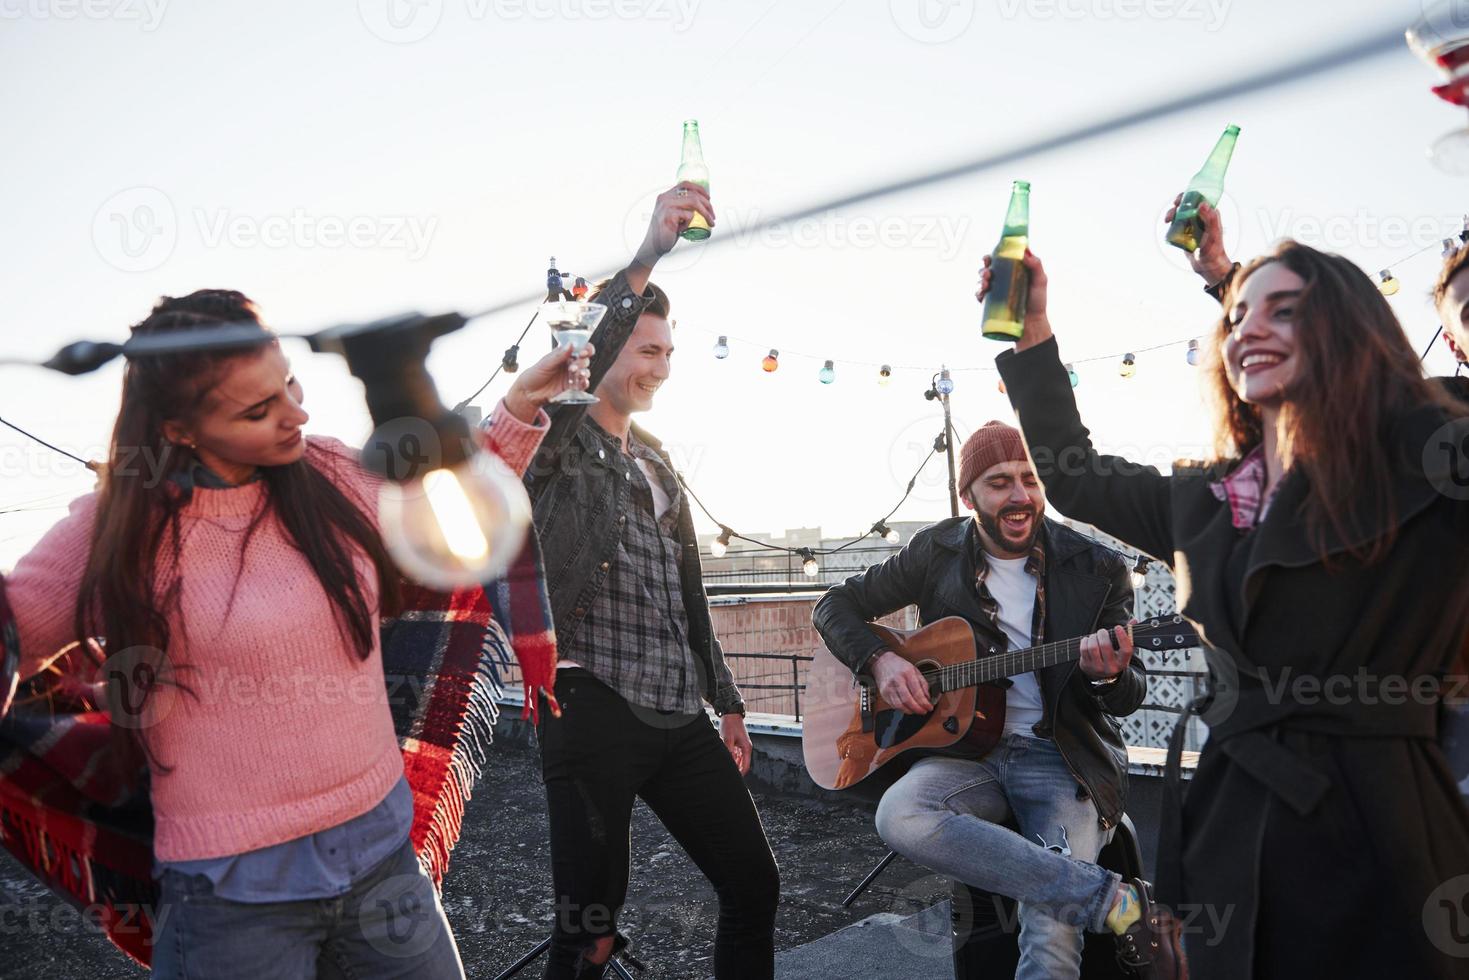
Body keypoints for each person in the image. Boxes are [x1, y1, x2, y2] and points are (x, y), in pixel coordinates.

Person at [0, 288, 587, 979]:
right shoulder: (118, 533)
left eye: (291, 384)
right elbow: (14, 628)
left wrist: (508, 406)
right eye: (260, 410)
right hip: (232, 895)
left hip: (380, 861)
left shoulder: (330, 471)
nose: (296, 415)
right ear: (180, 430)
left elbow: (451, 513)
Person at [984, 235, 1469, 977]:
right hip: (1230, 821)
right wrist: (1032, 334)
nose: (1246, 328)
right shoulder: (1203, 497)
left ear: (1351, 332)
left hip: (1382, 821)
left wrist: (1220, 275)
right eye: (1237, 316)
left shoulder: (1424, 458)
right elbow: (1073, 474)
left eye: (1285, 310)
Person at [522, 181, 781, 980]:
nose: (659, 368)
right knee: (590, 931)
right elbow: (595, 334)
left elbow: (688, 597)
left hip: (678, 711)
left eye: (667, 353)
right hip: (590, 702)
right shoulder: (558, 437)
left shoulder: (658, 457)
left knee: (753, 884)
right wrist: (649, 250)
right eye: (646, 349)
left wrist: (728, 702)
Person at [813, 421, 1181, 980]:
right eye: (1000, 481)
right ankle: (1118, 903)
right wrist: (880, 661)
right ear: (969, 497)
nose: (1020, 496)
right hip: (967, 755)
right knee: (900, 813)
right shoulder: (934, 550)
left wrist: (1108, 675)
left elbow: (1130, 696)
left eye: (1030, 479)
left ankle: (1093, 898)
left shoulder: (1098, 567)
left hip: (1064, 758)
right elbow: (833, 605)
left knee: (1052, 933)